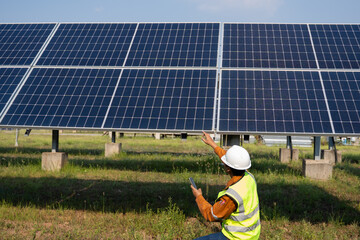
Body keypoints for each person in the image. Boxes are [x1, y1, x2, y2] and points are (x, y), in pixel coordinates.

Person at [190, 132, 261, 240]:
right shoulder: (249, 176)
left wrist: (199, 197)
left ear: (228, 169)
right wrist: (213, 144)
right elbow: (234, 160)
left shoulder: (232, 196)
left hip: (236, 237)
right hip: (252, 235)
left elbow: (212, 214)